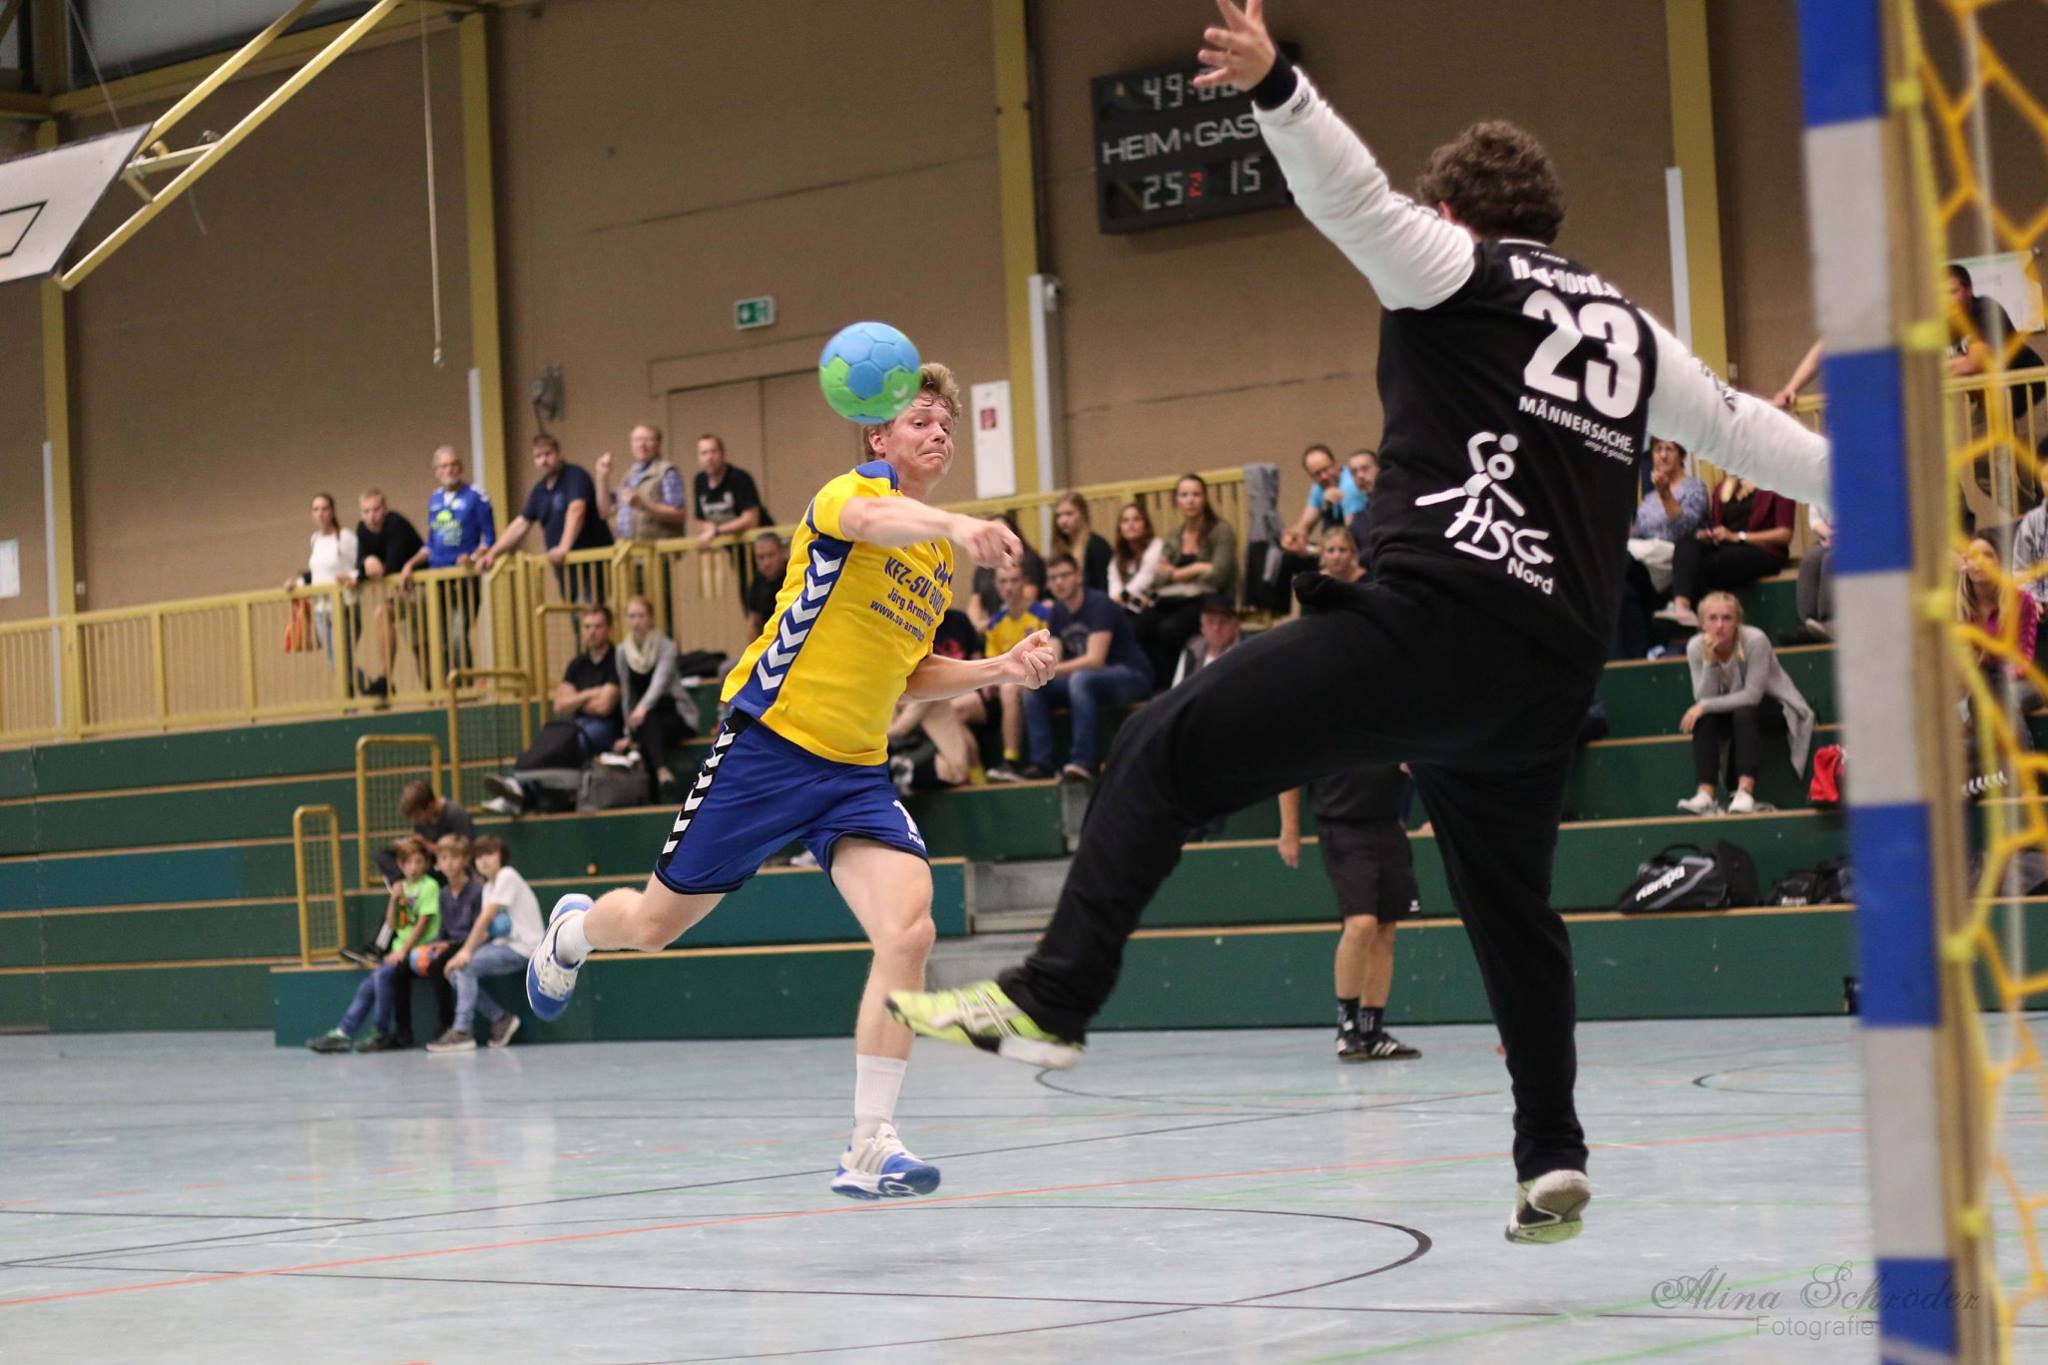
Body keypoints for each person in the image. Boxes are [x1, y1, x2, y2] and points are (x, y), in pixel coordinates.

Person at [885, 2, 1830, 1249]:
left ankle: (1053, 997)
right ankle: (1550, 1156)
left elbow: (1348, 199)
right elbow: (1749, 432)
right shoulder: (1625, 329)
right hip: (1550, 677)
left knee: (1160, 746)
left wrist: (1277, 87)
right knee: (1512, 910)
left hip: (1433, 629)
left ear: (1453, 212)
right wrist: (1873, 484)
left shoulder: (1455, 267)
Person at [521, 363, 1060, 1201]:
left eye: (947, 425)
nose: (939, 433)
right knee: (655, 925)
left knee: (909, 931)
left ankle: (871, 1141)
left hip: (854, 774)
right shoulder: (850, 496)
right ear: (879, 434)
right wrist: (960, 522)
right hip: (767, 748)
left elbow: (908, 672)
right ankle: (573, 932)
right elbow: (876, 518)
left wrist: (1000, 668)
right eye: (921, 420)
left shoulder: (932, 561)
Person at [1277, 758, 1423, 1063]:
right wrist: (1289, 830)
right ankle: (1347, 1026)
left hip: (1388, 824)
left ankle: (1372, 1031)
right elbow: (1290, 774)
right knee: (1362, 923)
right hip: (1342, 827)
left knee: (1386, 930)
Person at [1021, 553, 1155, 782]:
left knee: (1080, 679)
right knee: (1034, 688)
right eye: (1053, 578)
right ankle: (1042, 764)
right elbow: (1053, 657)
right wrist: (1034, 672)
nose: (1059, 582)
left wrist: (1047, 670)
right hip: (1091, 681)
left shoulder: (1099, 604)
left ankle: (1083, 762)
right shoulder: (1058, 612)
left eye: (1064, 575)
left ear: (1078, 576)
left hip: (1131, 675)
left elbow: (1095, 660)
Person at [1678, 592, 1815, 816]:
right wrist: (1710, 662)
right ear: (1702, 623)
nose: (1719, 625)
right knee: (1704, 717)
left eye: (1727, 618)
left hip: (1774, 708)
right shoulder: (1695, 646)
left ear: (1737, 622)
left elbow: (1752, 696)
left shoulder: (1755, 640)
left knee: (1741, 712)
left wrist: (1703, 706)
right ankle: (1706, 794)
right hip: (1731, 711)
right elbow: (1704, 697)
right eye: (1712, 618)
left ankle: (1745, 792)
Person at [480, 605, 623, 815]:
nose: (592, 632)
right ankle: (516, 792)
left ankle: (516, 793)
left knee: (572, 743)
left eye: (597, 626)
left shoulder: (617, 660)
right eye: (587, 627)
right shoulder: (577, 664)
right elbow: (560, 705)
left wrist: (576, 699)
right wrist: (591, 693)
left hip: (606, 727)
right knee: (546, 742)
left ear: (609, 629)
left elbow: (604, 707)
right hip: (575, 724)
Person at [306, 838, 441, 1053]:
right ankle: (343, 1033)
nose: (414, 868)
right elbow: (392, 924)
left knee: (382, 976)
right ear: (401, 865)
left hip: (419, 949)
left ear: (426, 864)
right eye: (409, 863)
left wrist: (403, 951)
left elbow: (423, 924)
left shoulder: (429, 886)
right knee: (366, 987)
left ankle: (381, 1031)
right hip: (398, 950)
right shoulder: (401, 887)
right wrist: (394, 899)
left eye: (418, 862)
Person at [1947, 264, 2047, 509]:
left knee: (2033, 470)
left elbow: (1975, 362)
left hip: (2027, 396)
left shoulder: (1985, 309)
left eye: (1952, 292)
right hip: (1988, 402)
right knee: (1984, 472)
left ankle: (2039, 518)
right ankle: (2028, 519)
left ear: (1968, 291)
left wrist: (1939, 367)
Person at [429, 835, 541, 1052]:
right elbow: (486, 931)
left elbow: (486, 917)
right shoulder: (489, 887)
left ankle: (462, 1031)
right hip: (504, 946)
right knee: (455, 972)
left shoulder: (508, 875)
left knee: (465, 966)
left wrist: (465, 953)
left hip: (525, 948)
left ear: (501, 856)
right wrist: (461, 955)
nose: (484, 860)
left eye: (489, 853)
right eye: (479, 856)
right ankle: (501, 1018)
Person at [473, 434, 613, 602]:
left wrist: (563, 547)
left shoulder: (575, 476)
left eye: (548, 454)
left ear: (559, 454)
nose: (543, 460)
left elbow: (577, 510)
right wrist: (492, 554)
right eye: (538, 456)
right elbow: (520, 524)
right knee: (576, 611)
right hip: (567, 571)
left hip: (593, 566)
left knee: (591, 610)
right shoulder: (539, 491)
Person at [1654, 471, 1797, 630]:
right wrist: (1710, 535)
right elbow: (1718, 526)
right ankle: (1681, 607)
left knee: (1700, 567)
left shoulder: (1778, 484)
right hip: (1727, 548)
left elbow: (1785, 534)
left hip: (1763, 551)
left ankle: (1694, 626)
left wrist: (1738, 537)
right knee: (1687, 544)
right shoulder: (1722, 488)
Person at [1135, 473, 1239, 681]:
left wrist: (1174, 572)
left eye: (1196, 495)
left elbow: (1218, 575)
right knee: (1139, 624)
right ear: (1177, 501)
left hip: (1208, 598)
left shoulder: (1221, 530)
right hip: (1173, 597)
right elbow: (1158, 579)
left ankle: (1175, 686)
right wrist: (1198, 568)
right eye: (1184, 495)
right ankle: (1151, 684)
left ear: (1205, 498)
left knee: (1169, 630)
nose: (1190, 500)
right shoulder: (1174, 534)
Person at [400, 447, 495, 675]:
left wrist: (473, 557)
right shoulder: (434, 499)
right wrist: (410, 564)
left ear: (461, 467)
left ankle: (466, 685)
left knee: (457, 637)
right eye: (444, 466)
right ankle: (448, 687)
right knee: (439, 639)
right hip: (438, 579)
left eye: (453, 464)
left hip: (463, 579)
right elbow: (431, 543)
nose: (449, 470)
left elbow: (490, 538)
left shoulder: (476, 496)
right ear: (436, 471)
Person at [1615, 438, 1708, 656]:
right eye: (1658, 450)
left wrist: (1666, 494)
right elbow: (1639, 531)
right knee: (1621, 577)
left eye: (1670, 449)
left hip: (1679, 557)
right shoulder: (1648, 498)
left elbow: (1684, 529)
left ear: (1681, 455)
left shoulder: (1694, 487)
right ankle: (1640, 652)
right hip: (1648, 559)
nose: (1663, 455)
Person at [613, 594, 702, 802]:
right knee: (647, 724)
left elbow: (659, 683)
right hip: (644, 719)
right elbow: (627, 693)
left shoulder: (666, 646)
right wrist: (628, 732)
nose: (637, 621)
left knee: (648, 721)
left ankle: (655, 788)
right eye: (632, 616)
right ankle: (662, 774)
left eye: (641, 615)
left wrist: (642, 709)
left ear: (651, 618)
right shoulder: (622, 652)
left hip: (673, 712)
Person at [347, 489, 427, 700]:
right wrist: (366, 562)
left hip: (422, 590)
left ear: (385, 509)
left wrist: (368, 567)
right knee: (382, 613)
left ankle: (433, 697)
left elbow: (391, 565)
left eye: (376, 510)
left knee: (422, 649)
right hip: (402, 593)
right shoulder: (362, 529)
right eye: (366, 511)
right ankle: (386, 677)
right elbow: (360, 562)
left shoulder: (395, 524)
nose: (372, 516)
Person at [981, 561, 1054, 782]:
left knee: (1008, 689)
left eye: (1014, 580)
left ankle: (1011, 760)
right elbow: (991, 661)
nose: (1009, 587)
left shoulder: (1043, 614)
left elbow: (1049, 654)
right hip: (1008, 681)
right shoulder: (995, 623)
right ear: (996, 585)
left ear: (1024, 582)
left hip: (1044, 677)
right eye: (1003, 581)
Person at [284, 492, 357, 665]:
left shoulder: (345, 536)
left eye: (324, 509)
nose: (321, 514)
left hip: (342, 605)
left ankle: (371, 683)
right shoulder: (315, 539)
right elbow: (317, 573)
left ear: (332, 511)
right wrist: (297, 583)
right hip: (320, 608)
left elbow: (356, 565)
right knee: (333, 662)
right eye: (316, 509)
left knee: (341, 661)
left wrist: (350, 578)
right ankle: (368, 683)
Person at [596, 423, 689, 545]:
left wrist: (643, 505)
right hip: (628, 550)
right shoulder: (628, 477)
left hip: (656, 550)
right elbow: (605, 511)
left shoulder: (666, 472)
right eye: (637, 440)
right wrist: (602, 477)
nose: (642, 445)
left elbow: (679, 514)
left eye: (648, 440)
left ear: (658, 445)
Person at [1281, 443, 1364, 555]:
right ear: (1311, 477)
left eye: (1326, 469)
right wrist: (1292, 538)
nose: (1324, 476)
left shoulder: (1350, 486)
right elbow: (1305, 525)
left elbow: (1352, 540)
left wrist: (1313, 551)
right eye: (1317, 474)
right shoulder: (1319, 487)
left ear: (1336, 464)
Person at [691, 433, 769, 544]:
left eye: (713, 451)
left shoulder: (739, 478)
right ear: (698, 458)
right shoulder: (700, 481)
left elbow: (751, 520)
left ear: (723, 454)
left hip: (762, 544)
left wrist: (716, 531)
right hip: (735, 547)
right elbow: (700, 521)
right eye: (704, 453)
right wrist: (712, 530)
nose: (709, 457)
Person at [1107, 502, 1166, 611]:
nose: (1130, 524)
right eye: (1125, 521)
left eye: (1136, 519)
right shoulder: (1118, 556)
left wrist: (1122, 597)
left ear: (1146, 525)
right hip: (1131, 607)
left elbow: (1143, 579)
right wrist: (1119, 601)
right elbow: (1114, 585)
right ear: (1120, 527)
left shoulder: (1156, 546)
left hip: (1157, 605)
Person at [1171, 595, 1242, 686]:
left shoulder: (1243, 655)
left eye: (1223, 622)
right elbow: (1177, 689)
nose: (1216, 628)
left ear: (1235, 627)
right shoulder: (1191, 652)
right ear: (1202, 627)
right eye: (1211, 621)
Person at [1050, 492, 1113, 592]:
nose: (1063, 521)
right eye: (1058, 516)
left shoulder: (1097, 546)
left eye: (1069, 514)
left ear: (1083, 514)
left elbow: (1103, 586)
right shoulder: (1059, 548)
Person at [1796, 506, 1835, 641]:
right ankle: (1809, 624)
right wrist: (1830, 535)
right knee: (1811, 558)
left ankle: (1830, 623)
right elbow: (1815, 518)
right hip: (1831, 537)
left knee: (1831, 559)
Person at [744, 532, 791, 636]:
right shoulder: (757, 581)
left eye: (771, 555)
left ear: (782, 552)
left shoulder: (793, 575)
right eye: (761, 557)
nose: (766, 563)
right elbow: (753, 623)